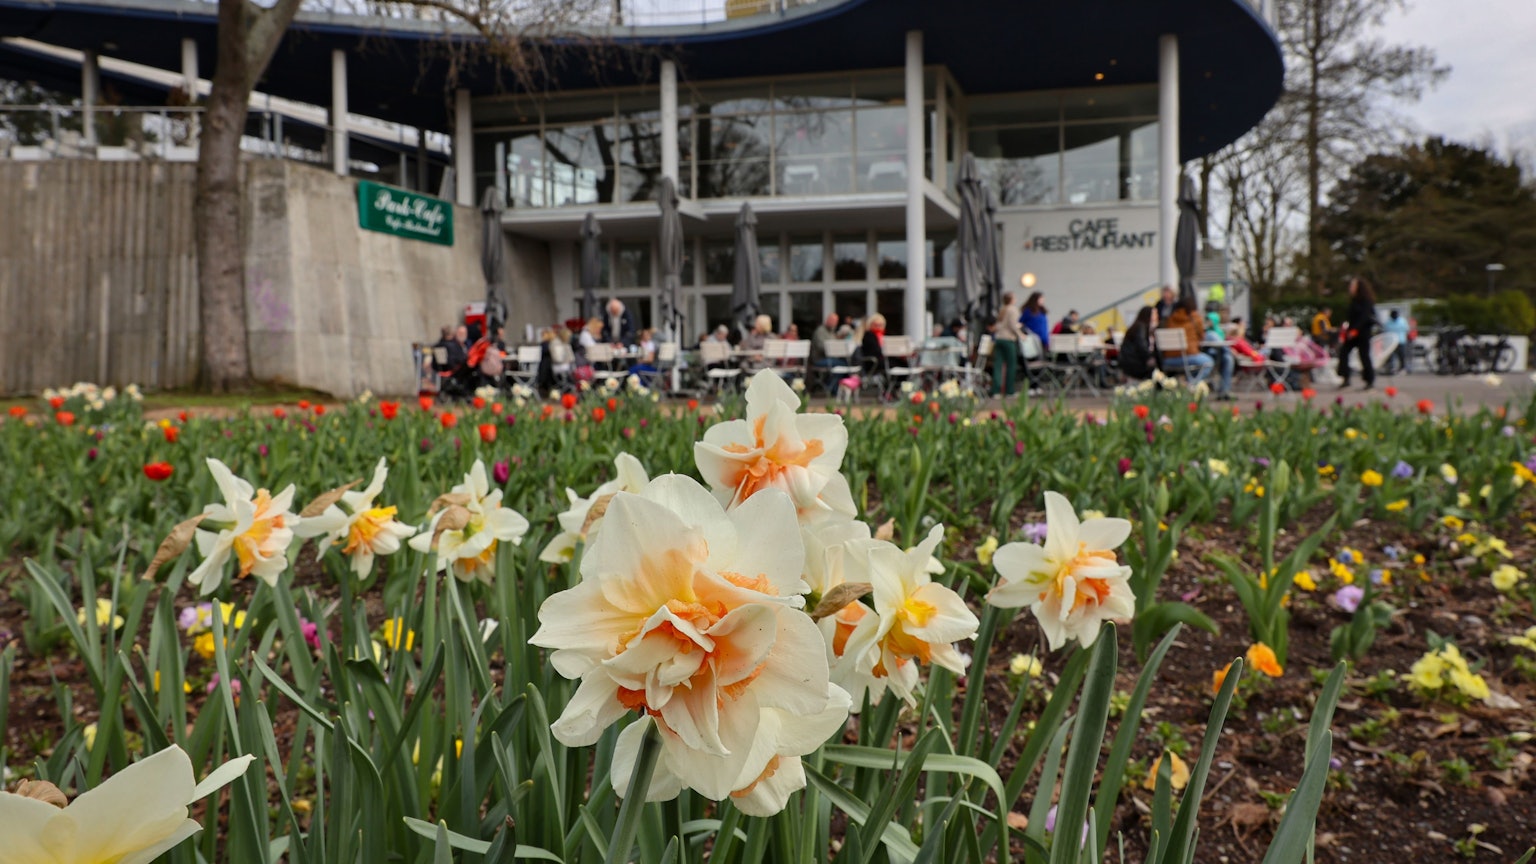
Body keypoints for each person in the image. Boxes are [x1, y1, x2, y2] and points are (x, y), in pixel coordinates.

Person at [1160, 299, 1217, 388]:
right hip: (1187, 357)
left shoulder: (1170, 319)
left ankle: (1187, 382)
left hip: (1168, 360)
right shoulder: (1194, 318)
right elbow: (1202, 336)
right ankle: (1191, 385)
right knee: (1208, 362)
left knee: (1198, 363)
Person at [1338, 277, 1377, 389]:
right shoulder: (1354, 300)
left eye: (1352, 286)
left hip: (1363, 332)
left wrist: (1355, 329)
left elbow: (1364, 317)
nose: (1350, 288)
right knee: (1344, 352)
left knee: (1364, 355)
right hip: (1352, 331)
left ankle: (1369, 380)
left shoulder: (1366, 301)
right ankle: (1345, 377)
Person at [993, 292, 1025, 396]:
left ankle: (996, 390)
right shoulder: (1012, 309)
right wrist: (1021, 334)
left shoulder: (1002, 309)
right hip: (1008, 339)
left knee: (998, 365)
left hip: (999, 338)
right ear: (1011, 299)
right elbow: (1012, 325)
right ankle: (1009, 390)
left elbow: (999, 325)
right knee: (1011, 365)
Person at [1118, 306, 1159, 380]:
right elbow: (1141, 345)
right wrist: (1149, 357)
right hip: (1134, 361)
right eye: (1155, 314)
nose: (1157, 316)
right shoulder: (1141, 327)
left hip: (1130, 359)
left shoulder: (1138, 326)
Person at [1382, 309, 1411, 374]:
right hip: (1391, 342)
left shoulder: (1402, 321)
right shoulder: (1388, 322)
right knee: (1390, 356)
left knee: (1402, 355)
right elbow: (1385, 331)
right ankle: (1391, 368)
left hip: (1401, 341)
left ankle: (1402, 368)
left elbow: (1407, 330)